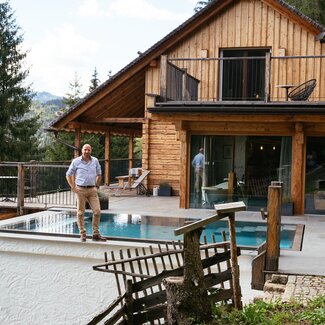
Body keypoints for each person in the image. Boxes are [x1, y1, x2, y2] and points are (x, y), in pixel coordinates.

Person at [66, 144, 106, 242]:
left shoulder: (95, 161)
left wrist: (96, 186)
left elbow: (99, 174)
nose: (86, 151)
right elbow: (68, 174)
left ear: (90, 151)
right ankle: (82, 234)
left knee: (97, 211)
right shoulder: (76, 162)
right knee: (80, 212)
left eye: (88, 150)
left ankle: (96, 234)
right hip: (80, 190)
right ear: (82, 150)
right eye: (85, 150)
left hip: (92, 189)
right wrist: (73, 186)